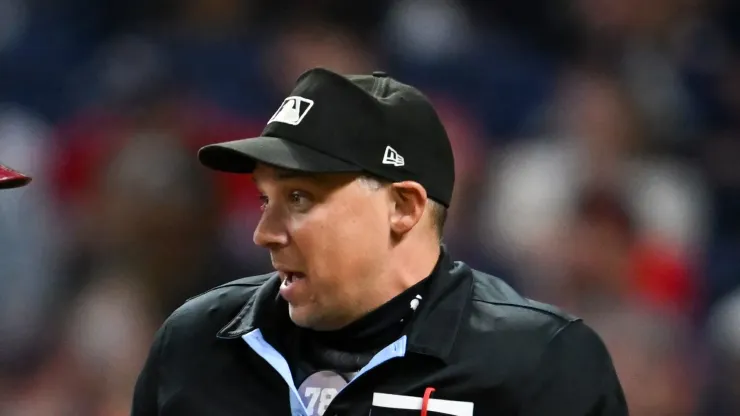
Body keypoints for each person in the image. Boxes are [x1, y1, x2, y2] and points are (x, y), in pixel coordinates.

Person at [131, 67, 628, 415]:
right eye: (265, 199)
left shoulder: (540, 363)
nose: (265, 233)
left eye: (300, 198)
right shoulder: (195, 345)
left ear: (403, 207)